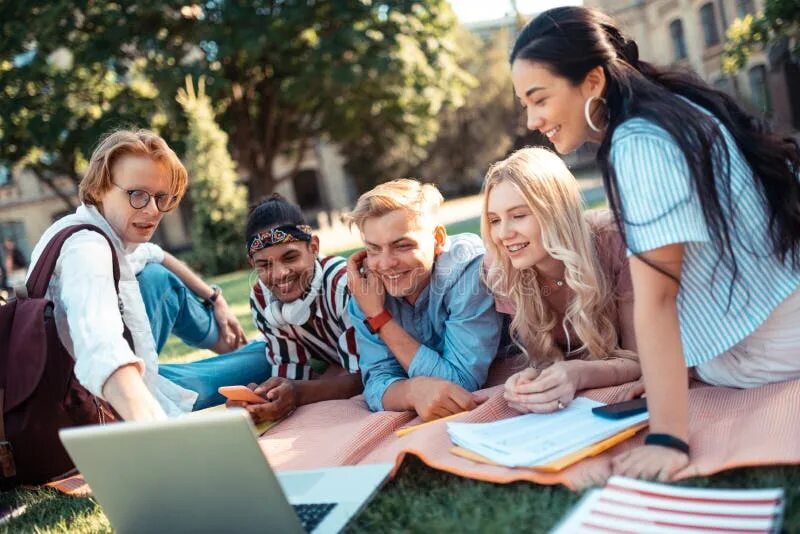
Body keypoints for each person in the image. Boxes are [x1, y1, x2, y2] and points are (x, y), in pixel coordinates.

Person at [509, 6, 800, 480]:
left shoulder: (639, 143)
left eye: (539, 98)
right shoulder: (667, 111)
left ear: (592, 83)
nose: (532, 119)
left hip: (774, 345)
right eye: (525, 103)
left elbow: (658, 300)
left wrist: (667, 436)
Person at [27, 129, 270, 421]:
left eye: (161, 197)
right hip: (106, 403)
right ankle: (248, 351)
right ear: (98, 188)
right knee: (269, 359)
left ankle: (232, 344)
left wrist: (214, 297)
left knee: (157, 277)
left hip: (108, 382)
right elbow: (101, 345)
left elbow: (155, 254)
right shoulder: (87, 250)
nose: (153, 210)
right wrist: (156, 434)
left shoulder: (83, 228)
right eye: (137, 195)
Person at [482, 147, 640, 414]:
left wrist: (577, 373)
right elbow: (545, 358)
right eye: (494, 220)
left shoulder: (614, 240)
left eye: (519, 215)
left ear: (555, 210)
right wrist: (533, 380)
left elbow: (641, 360)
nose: (503, 234)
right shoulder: (501, 267)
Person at [346, 178, 504, 421]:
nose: (386, 264)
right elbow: (376, 382)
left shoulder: (468, 274)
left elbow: (460, 383)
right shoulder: (366, 291)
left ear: (438, 239)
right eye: (374, 249)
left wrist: (380, 319)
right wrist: (411, 392)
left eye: (402, 246)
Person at [225, 194, 362, 423]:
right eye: (264, 265)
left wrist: (298, 393)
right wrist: (264, 399)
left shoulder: (343, 284)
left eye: (290, 257)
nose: (279, 274)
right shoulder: (261, 297)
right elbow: (292, 372)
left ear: (314, 247)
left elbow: (364, 376)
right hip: (333, 365)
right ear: (252, 265)